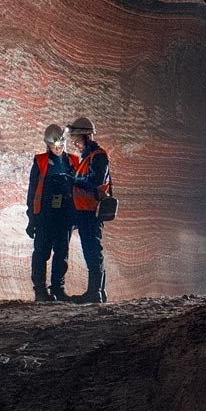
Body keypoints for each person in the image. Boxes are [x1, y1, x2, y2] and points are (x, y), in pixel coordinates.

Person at [26, 123, 76, 303]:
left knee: (61, 253)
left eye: (60, 145)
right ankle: (40, 291)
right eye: (54, 146)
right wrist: (31, 218)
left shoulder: (73, 162)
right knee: (41, 252)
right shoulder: (40, 162)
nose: (57, 148)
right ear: (47, 145)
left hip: (64, 216)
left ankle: (58, 290)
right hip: (44, 215)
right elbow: (32, 192)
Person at [66, 115, 111, 303]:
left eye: (77, 140)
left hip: (92, 212)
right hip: (84, 211)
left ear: (87, 137)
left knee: (94, 252)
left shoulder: (98, 156)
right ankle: (96, 291)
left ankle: (96, 293)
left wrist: (74, 180)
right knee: (90, 252)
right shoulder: (87, 157)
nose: (76, 144)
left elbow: (95, 181)